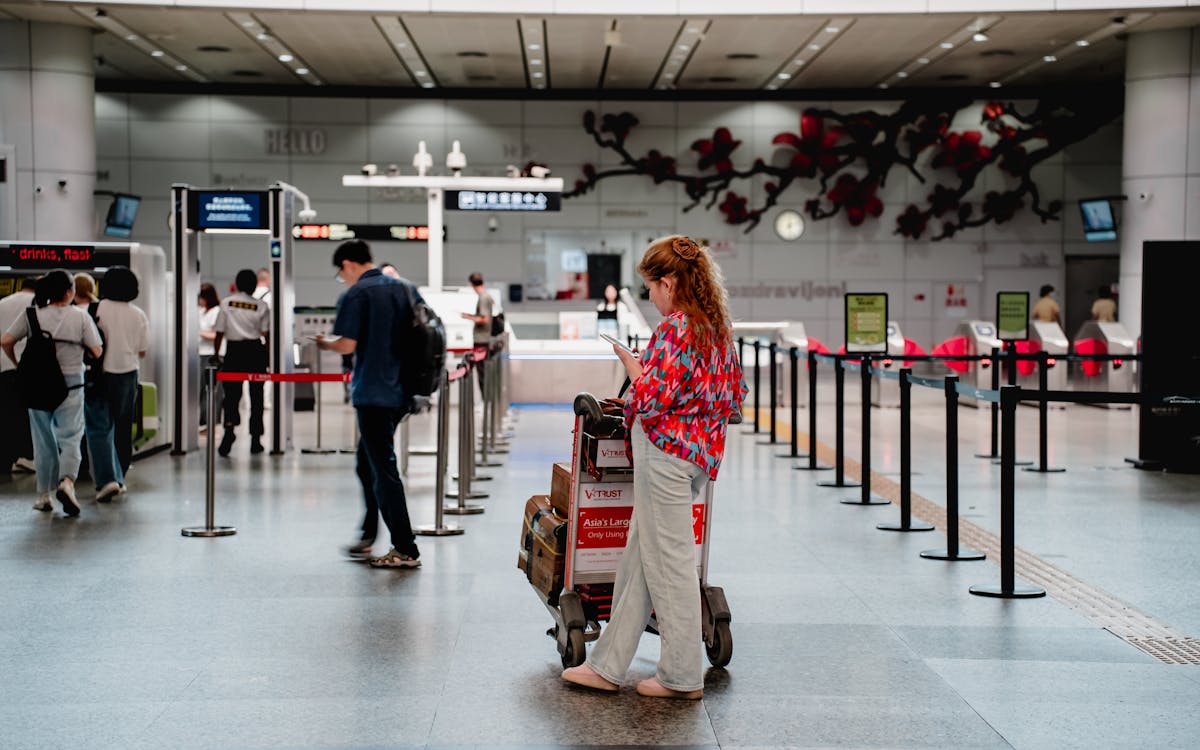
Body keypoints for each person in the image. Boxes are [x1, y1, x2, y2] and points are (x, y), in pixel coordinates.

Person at [562, 235, 747, 700]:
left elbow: (648, 399)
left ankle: (681, 676)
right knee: (640, 563)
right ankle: (606, 665)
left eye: (651, 287)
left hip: (664, 456)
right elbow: (734, 396)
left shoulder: (676, 328)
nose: (650, 296)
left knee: (671, 566)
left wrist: (634, 366)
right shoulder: (717, 327)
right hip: (698, 454)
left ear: (669, 282)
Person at [316, 240, 422, 569]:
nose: (342, 279)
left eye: (340, 273)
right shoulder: (406, 289)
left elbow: (347, 343)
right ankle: (368, 533)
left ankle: (405, 548)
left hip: (373, 393)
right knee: (367, 464)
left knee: (383, 470)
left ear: (348, 264)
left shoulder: (357, 294)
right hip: (401, 391)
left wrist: (323, 343)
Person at [1, 270, 103, 515]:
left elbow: (6, 341)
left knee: (43, 440)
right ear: (69, 292)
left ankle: (44, 496)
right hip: (71, 386)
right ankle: (67, 482)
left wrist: (17, 364)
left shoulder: (32, 315)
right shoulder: (80, 317)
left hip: (37, 385)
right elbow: (97, 351)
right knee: (70, 438)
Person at [83, 266, 149, 502]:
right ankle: (119, 479)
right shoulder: (138, 314)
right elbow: (142, 350)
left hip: (98, 374)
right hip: (128, 374)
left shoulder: (94, 309)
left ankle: (106, 479)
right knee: (122, 427)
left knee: (99, 427)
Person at [212, 269, 270, 456]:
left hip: (234, 352)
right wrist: (268, 357)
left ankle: (229, 432)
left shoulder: (227, 303)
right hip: (255, 351)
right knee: (257, 397)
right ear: (253, 285)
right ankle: (255, 439)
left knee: (231, 396)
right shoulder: (261, 306)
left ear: (236, 284)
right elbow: (266, 334)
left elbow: (219, 332)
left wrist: (216, 354)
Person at [0, 277, 38, 475]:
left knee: (6, 414)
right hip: (31, 367)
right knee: (28, 415)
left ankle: (4, 460)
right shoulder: (37, 305)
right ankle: (27, 456)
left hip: (4, 366)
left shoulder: (3, 303)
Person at [461, 272, 494, 394]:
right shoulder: (486, 296)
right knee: (483, 372)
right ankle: (486, 402)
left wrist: (468, 317)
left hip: (482, 340)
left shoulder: (483, 297)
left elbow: (484, 319)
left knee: (482, 373)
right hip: (484, 339)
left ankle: (485, 402)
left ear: (472, 284)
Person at [198, 282, 222, 427]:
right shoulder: (201, 311)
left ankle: (212, 420)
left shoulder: (216, 311)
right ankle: (202, 419)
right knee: (201, 389)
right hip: (199, 353)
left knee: (212, 389)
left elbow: (216, 334)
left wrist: (200, 333)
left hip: (211, 354)